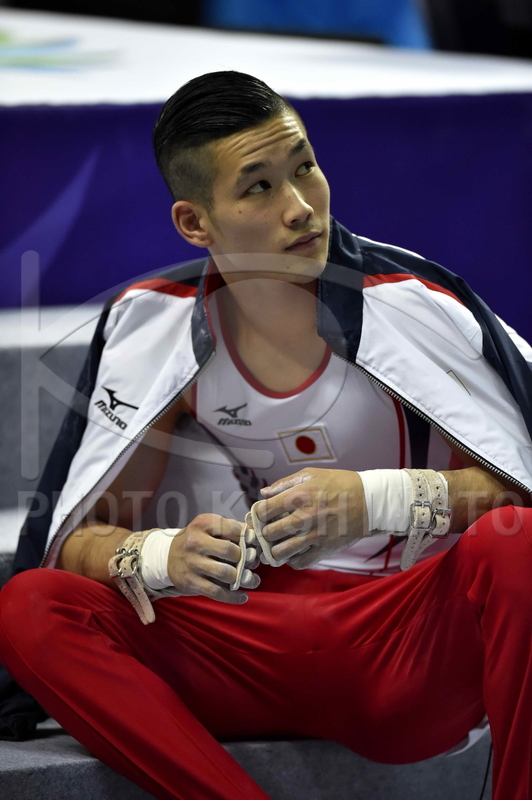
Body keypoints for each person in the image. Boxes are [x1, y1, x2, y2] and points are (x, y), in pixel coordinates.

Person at [0, 70, 531, 800]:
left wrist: (377, 500)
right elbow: (79, 538)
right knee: (32, 605)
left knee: (519, 546)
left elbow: (518, 493)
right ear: (194, 223)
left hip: (403, 647)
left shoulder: (420, 306)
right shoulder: (151, 322)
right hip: (246, 640)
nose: (301, 206)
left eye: (305, 166)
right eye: (259, 186)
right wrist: (159, 554)